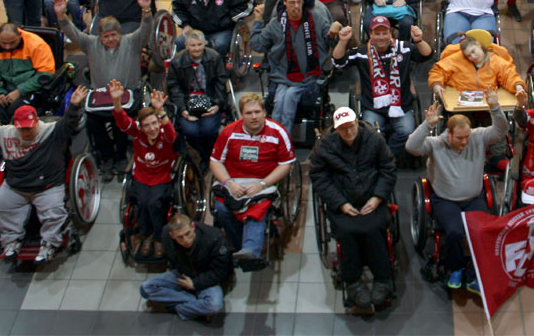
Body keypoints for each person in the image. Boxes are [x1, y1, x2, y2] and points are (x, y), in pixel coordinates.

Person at [405, 89, 508, 293]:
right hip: (446, 200)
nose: (464, 142)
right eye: (459, 138)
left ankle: (474, 273)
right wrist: (427, 125)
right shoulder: (436, 144)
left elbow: (500, 131)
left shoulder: (477, 137)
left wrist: (495, 107)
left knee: (480, 231)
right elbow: (412, 146)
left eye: (467, 136)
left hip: (473, 197)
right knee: (454, 232)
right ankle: (456, 268)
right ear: (448, 134)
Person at [55, 0, 152, 176]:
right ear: (99, 36)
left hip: (128, 95)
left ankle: (121, 155)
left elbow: (146, 29)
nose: (110, 39)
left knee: (120, 121)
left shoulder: (131, 42)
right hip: (100, 97)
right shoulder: (91, 44)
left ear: (120, 33)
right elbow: (72, 33)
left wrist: (146, 10)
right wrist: (61, 15)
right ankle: (107, 157)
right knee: (93, 122)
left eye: (113, 35)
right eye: (106, 36)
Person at [0, 85, 88, 262]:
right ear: (16, 126)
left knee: (54, 210)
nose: (26, 132)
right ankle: (11, 241)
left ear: (35, 122)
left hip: (47, 186)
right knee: (0, 203)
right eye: (22, 129)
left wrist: (73, 106)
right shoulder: (6, 134)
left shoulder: (50, 131)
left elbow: (69, 124)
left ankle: (50, 243)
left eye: (29, 128)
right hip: (16, 186)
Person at [309, 107, 397, 308]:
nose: (348, 132)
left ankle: (383, 278)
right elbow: (319, 178)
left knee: (375, 229)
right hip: (343, 201)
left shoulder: (374, 140)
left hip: (372, 198)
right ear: (336, 129)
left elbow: (388, 168)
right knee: (347, 233)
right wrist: (340, 203)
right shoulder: (325, 146)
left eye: (351, 127)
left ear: (357, 123)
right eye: (343, 129)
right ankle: (353, 282)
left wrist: (377, 198)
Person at [209, 92, 295, 261]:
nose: (254, 117)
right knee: (222, 210)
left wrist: (262, 184)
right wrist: (230, 183)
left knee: (258, 207)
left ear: (264, 112)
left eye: (257, 112)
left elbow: (286, 164)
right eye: (248, 113)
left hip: (264, 182)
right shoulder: (229, 132)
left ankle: (251, 249)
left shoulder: (278, 132)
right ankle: (239, 244)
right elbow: (215, 161)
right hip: (234, 182)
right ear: (242, 115)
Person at [332, 18, 431, 158]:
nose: (381, 37)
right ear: (370, 34)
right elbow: (338, 62)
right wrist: (342, 41)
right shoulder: (361, 52)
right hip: (373, 107)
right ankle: (385, 159)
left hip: (401, 105)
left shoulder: (403, 48)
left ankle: (385, 158)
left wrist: (419, 40)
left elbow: (426, 55)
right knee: (370, 134)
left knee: (407, 132)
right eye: (377, 34)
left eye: (384, 33)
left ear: (390, 33)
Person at [251, 0, 339, 134]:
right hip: (282, 76)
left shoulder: (316, 19)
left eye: (299, 2)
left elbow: (331, 42)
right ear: (284, 3)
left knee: (289, 97)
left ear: (303, 2)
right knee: (278, 102)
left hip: (309, 75)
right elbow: (257, 44)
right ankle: (274, 139)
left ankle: (282, 141)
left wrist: (335, 30)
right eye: (292, 2)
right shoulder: (276, 23)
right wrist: (258, 21)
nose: (296, 6)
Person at [109, 79, 175, 258]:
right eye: (147, 125)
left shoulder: (164, 134)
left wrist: (161, 111)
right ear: (142, 127)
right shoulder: (138, 133)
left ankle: (159, 237)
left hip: (162, 177)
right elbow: (122, 122)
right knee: (143, 203)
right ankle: (146, 235)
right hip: (142, 176)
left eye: (154, 124)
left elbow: (172, 135)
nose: (152, 128)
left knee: (154, 204)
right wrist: (116, 101)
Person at [0, 23, 56, 175]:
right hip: (6, 89)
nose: (6, 47)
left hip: (30, 89)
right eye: (3, 43)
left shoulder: (36, 44)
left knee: (18, 112)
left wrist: (20, 91)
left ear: (19, 35)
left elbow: (46, 74)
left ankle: (18, 155)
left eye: (12, 43)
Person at [139, 213, 232, 321]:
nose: (186, 240)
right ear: (172, 235)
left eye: (188, 234)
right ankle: (194, 304)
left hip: (205, 275)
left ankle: (174, 307)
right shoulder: (166, 235)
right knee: (146, 289)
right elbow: (172, 260)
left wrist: (195, 284)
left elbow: (221, 270)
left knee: (214, 306)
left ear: (193, 227)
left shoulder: (213, 237)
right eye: (180, 237)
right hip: (183, 273)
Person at [165, 31, 226, 169]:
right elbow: (174, 88)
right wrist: (182, 110)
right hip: (187, 101)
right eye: (193, 45)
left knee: (209, 130)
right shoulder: (177, 62)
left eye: (199, 45)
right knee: (190, 131)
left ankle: (211, 157)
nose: (197, 48)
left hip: (209, 99)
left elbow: (221, 82)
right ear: (186, 45)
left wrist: (217, 105)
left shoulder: (214, 57)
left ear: (204, 44)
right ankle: (207, 156)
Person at [429, 29, 526, 102]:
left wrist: (517, 85)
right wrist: (436, 84)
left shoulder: (495, 60)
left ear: (478, 45)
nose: (473, 56)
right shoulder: (456, 59)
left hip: (488, 100)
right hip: (462, 101)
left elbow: (509, 75)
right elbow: (439, 71)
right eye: (469, 55)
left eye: (473, 51)